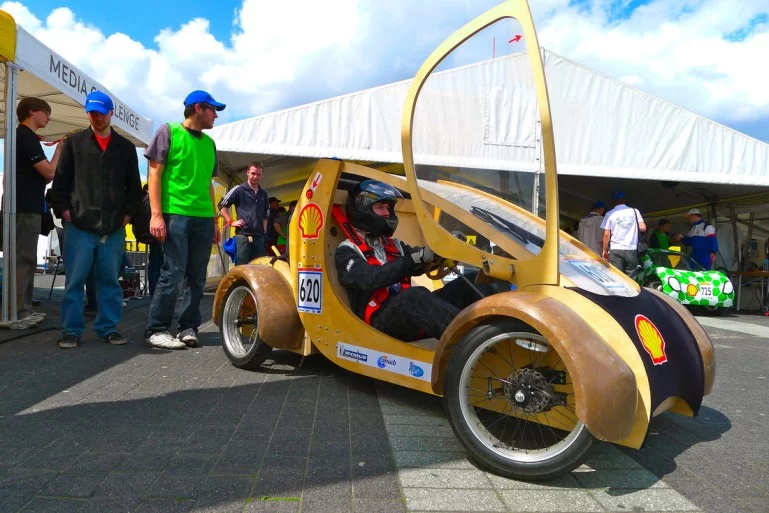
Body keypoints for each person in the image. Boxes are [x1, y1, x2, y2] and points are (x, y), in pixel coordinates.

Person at [334, 180, 486, 341]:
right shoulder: (347, 250)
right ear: (362, 209)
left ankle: (498, 330)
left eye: (387, 208)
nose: (387, 213)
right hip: (378, 323)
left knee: (472, 281)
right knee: (413, 296)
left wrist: (441, 252)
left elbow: (417, 259)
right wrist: (414, 259)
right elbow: (369, 278)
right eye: (380, 207)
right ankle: (473, 341)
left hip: (408, 314)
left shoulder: (393, 245)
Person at [49, 91, 142, 349]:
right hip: (79, 225)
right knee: (75, 282)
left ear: (111, 113)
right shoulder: (74, 143)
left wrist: (127, 216)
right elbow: (60, 184)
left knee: (110, 282)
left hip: (113, 228)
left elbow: (134, 188)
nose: (96, 117)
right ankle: (71, 330)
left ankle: (108, 328)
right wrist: (65, 213)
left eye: (101, 112)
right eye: (92, 112)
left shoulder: (125, 148)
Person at [144, 90, 223, 350]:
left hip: (202, 216)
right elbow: (154, 175)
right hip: (175, 213)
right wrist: (156, 215)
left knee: (197, 276)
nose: (215, 115)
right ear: (198, 108)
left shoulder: (209, 143)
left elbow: (209, 184)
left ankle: (188, 327)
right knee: (173, 273)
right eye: (213, 110)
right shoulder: (168, 132)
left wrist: (214, 220)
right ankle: (156, 329)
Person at [2, 97, 63, 321]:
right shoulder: (26, 137)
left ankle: (21, 308)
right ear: (32, 112)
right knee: (23, 259)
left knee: (23, 259)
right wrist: (59, 150)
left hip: (24, 206)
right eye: (46, 113)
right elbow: (49, 173)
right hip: (25, 207)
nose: (48, 118)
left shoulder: (23, 136)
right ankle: (19, 311)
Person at [218, 162, 269, 264]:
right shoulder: (239, 189)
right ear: (247, 172)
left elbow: (265, 215)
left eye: (258, 174)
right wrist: (231, 221)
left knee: (259, 270)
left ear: (262, 175)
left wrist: (264, 231)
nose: (255, 177)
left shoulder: (264, 194)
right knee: (242, 270)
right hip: (243, 237)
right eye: (253, 173)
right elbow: (221, 206)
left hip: (259, 239)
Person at [601, 190, 646, 276]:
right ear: (624, 200)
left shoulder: (609, 214)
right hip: (631, 249)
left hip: (615, 250)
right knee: (631, 278)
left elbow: (606, 235)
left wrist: (604, 250)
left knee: (617, 277)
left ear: (613, 201)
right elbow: (643, 228)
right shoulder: (634, 211)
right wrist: (631, 227)